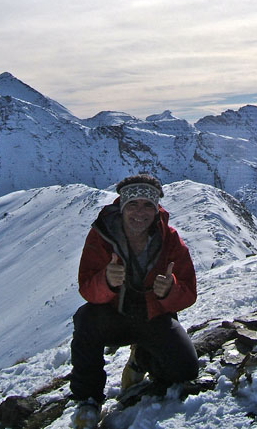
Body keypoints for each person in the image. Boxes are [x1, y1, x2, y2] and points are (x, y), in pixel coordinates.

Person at [69, 174, 199, 428]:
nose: (140, 212)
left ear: (157, 208)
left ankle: (140, 359)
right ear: (122, 205)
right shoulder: (101, 235)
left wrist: (169, 289)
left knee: (184, 370)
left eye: (148, 205)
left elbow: (189, 291)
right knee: (86, 319)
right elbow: (87, 287)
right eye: (133, 204)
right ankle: (87, 401)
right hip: (111, 315)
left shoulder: (170, 239)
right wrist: (106, 281)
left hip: (153, 315)